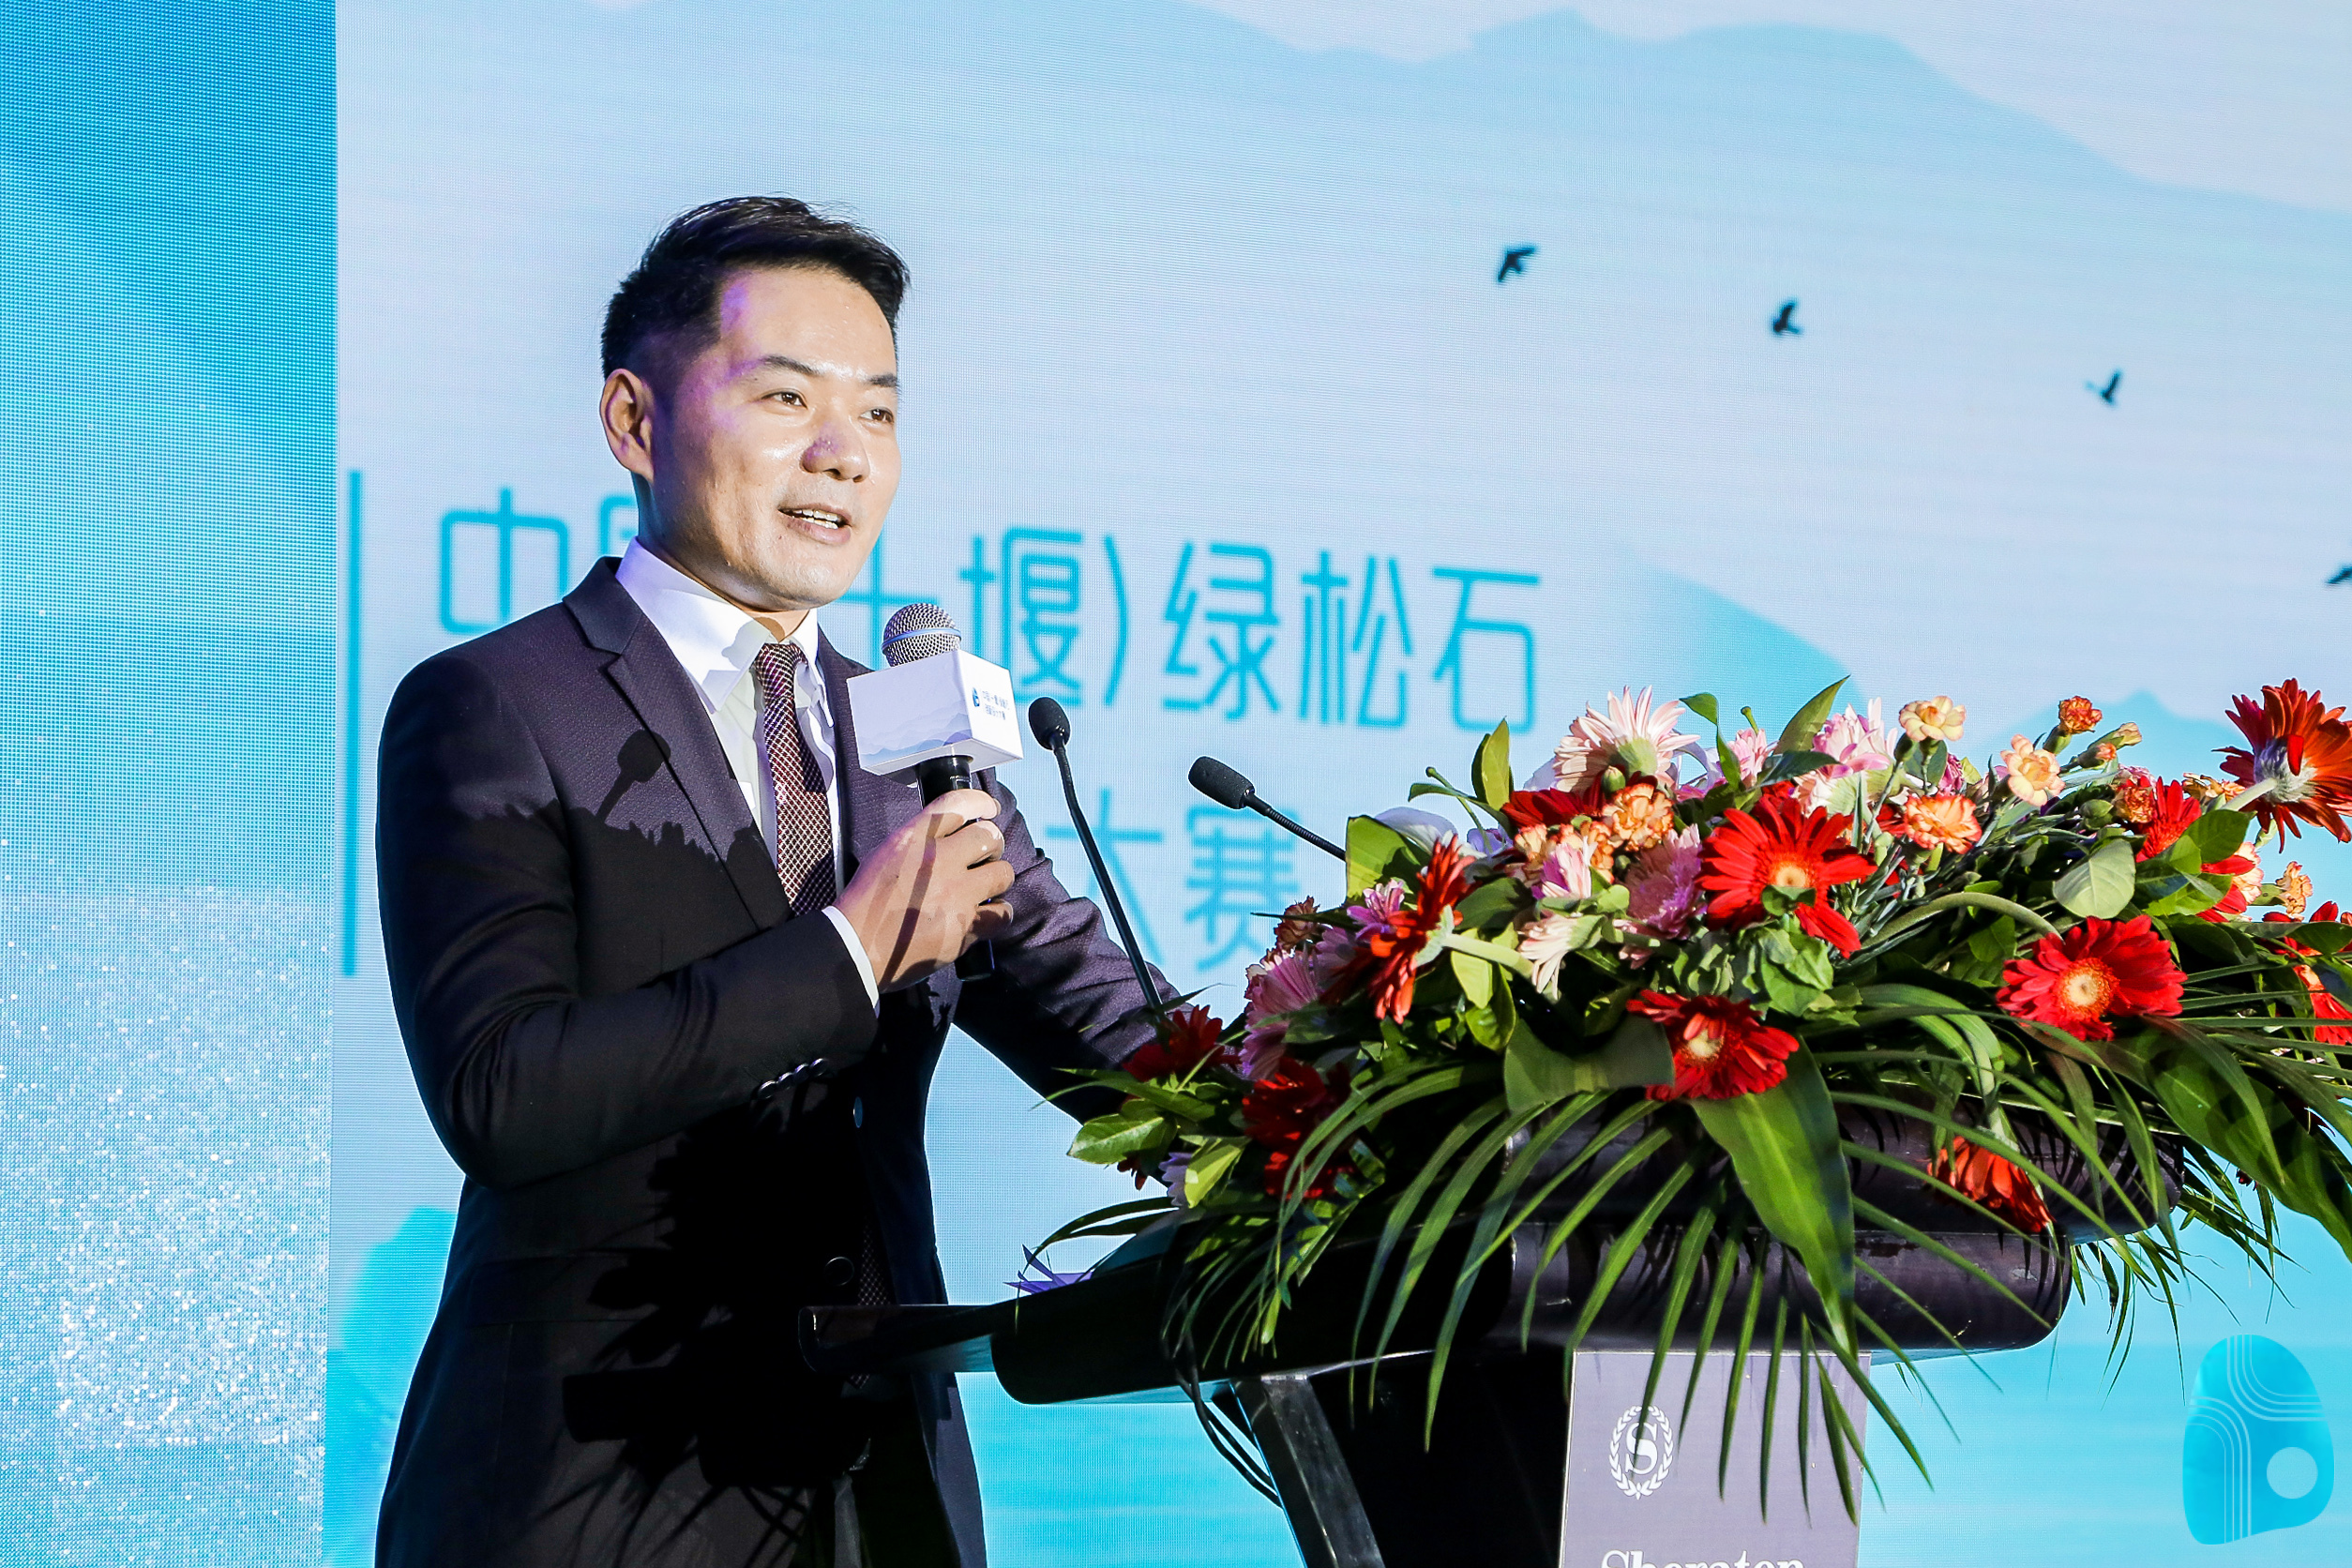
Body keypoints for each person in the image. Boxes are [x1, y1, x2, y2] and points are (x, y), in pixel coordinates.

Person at [373, 197, 1163, 1568]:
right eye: (787, 397)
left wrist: (1410, 1043)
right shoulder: (498, 704)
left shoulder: (913, 740)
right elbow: (502, 1091)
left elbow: (1129, 1046)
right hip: (594, 1486)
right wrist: (852, 953)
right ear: (634, 421)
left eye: (879, 412)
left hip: (881, 1497)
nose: (842, 452)